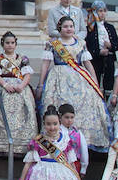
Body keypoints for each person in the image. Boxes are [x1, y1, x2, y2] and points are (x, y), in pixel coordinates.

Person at [38, 16, 110, 150]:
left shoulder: (81, 43)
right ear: (59, 28)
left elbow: (87, 64)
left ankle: (83, 141)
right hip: (58, 78)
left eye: (71, 26)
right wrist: (41, 84)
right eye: (65, 26)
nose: (69, 29)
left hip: (80, 78)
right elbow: (45, 64)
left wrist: (95, 83)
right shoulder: (52, 44)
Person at [84, 0, 118, 97]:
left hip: (109, 60)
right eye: (100, 11)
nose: (103, 13)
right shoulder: (90, 29)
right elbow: (88, 46)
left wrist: (110, 46)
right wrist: (99, 52)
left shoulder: (110, 27)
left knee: (109, 83)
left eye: (104, 11)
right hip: (96, 60)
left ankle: (107, 100)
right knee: (95, 81)